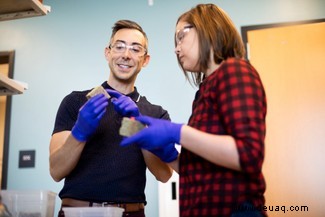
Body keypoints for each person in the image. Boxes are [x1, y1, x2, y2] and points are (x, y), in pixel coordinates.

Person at [120, 4, 267, 217]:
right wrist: (168, 154)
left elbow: (248, 155)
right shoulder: (205, 90)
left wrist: (177, 132)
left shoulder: (235, 71)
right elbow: (201, 172)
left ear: (209, 28)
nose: (176, 48)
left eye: (181, 36)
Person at [49, 19, 173, 217]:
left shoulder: (155, 114)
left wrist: (138, 128)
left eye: (135, 49)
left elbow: (164, 174)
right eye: (119, 46)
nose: (126, 55)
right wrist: (80, 132)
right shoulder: (76, 102)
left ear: (145, 60)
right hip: (77, 212)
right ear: (108, 53)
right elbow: (56, 171)